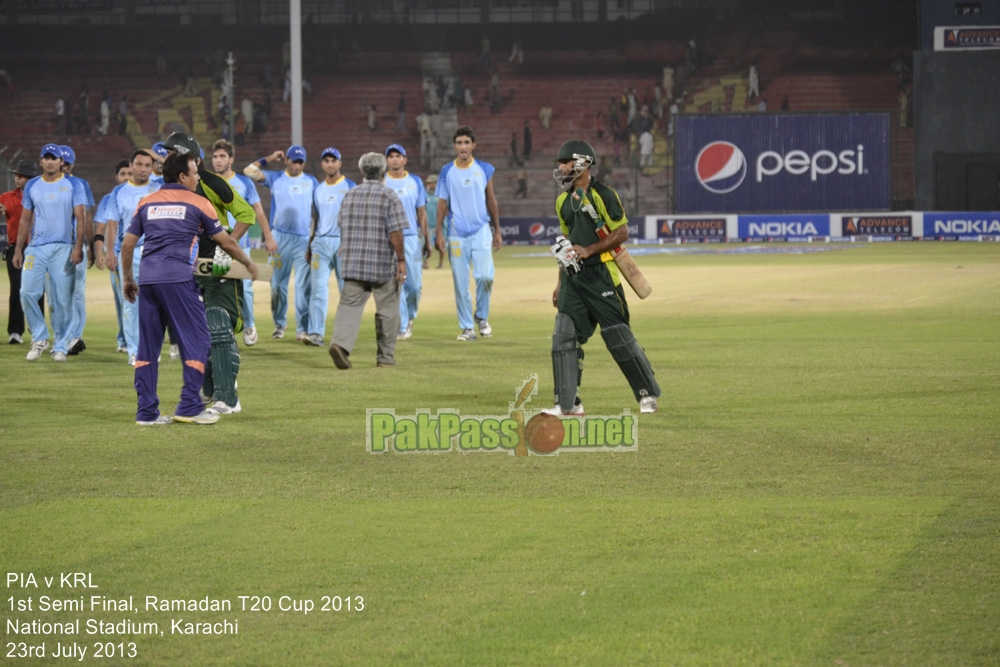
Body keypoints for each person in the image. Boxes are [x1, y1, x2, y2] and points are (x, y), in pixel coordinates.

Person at [121, 151, 257, 426]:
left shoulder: (146, 202)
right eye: (194, 172)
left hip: (148, 280)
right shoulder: (199, 203)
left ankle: (146, 413)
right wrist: (248, 263)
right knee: (198, 340)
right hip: (179, 279)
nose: (198, 177)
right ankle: (190, 406)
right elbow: (226, 243)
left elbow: (127, 245)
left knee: (148, 347)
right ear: (182, 176)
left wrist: (128, 279)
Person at [546, 140, 660, 416]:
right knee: (564, 336)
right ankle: (568, 403)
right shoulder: (562, 201)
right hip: (574, 279)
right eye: (559, 164)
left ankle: (647, 394)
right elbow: (569, 242)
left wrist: (590, 250)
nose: (561, 168)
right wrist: (559, 282)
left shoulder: (603, 195)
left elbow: (621, 232)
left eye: (566, 162)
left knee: (618, 337)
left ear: (583, 163)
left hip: (603, 276)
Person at [164, 131, 258, 415]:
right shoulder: (168, 186)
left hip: (217, 261)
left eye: (170, 153)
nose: (165, 157)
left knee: (218, 324)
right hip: (187, 265)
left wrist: (226, 247)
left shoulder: (212, 183)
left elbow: (246, 215)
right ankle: (212, 391)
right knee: (194, 329)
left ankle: (228, 398)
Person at [327, 152, 407, 369]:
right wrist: (401, 259)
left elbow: (342, 225)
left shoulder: (350, 195)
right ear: (384, 172)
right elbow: (396, 232)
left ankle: (340, 345)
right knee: (388, 310)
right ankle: (385, 358)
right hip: (381, 264)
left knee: (348, 307)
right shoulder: (389, 195)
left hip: (353, 263)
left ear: (362, 171)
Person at [11, 143, 87, 362]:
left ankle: (61, 345)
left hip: (64, 247)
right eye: (46, 157)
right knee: (26, 291)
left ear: (61, 162)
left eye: (54, 158)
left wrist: (78, 247)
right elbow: (26, 218)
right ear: (41, 161)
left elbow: (81, 218)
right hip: (36, 248)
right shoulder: (33, 185)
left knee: (64, 300)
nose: (51, 161)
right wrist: (19, 250)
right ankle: (40, 337)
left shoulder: (75, 185)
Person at [434, 126, 501, 341]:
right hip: (456, 232)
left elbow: (491, 199)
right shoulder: (446, 171)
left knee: (485, 276)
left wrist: (498, 230)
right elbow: (442, 203)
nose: (463, 147)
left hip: (481, 228)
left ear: (474, 145)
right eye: (459, 143)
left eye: (466, 142)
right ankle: (467, 328)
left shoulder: (484, 168)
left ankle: (481, 316)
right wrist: (438, 233)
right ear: (454, 146)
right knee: (460, 282)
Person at [244, 145, 317, 340]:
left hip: (303, 239)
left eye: (301, 161)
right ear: (286, 160)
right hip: (280, 238)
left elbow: (317, 211)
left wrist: (313, 238)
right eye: (294, 160)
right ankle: (279, 324)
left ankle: (302, 329)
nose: (297, 165)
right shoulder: (275, 178)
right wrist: (269, 157)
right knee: (277, 285)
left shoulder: (311, 182)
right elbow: (249, 171)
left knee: (303, 286)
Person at [210, 139, 279, 348]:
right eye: (215, 157)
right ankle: (221, 329)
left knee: (245, 287)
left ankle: (249, 324)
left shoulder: (244, 183)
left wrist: (268, 236)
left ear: (231, 159)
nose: (218, 160)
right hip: (215, 244)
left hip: (241, 244)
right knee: (217, 288)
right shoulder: (206, 182)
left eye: (222, 156)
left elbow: (257, 209)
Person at [103, 149, 161, 364]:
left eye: (148, 165)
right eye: (140, 164)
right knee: (131, 303)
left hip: (156, 250)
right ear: (132, 165)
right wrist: (110, 252)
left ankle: (154, 348)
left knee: (156, 301)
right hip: (131, 251)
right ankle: (135, 352)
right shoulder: (119, 192)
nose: (144, 169)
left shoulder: (159, 187)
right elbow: (112, 223)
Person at [303, 146, 355, 347]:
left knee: (347, 291)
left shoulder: (350, 186)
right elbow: (315, 219)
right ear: (322, 164)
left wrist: (352, 242)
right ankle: (316, 333)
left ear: (340, 163)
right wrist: (310, 245)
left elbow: (356, 218)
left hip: (344, 243)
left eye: (334, 160)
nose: (330, 164)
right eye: (326, 161)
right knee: (317, 290)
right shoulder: (317, 189)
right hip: (321, 244)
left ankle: (345, 335)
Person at [382, 144, 430, 341]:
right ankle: (401, 326)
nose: (394, 159)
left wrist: (427, 239)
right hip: (388, 237)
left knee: (415, 286)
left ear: (404, 160)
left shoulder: (415, 181)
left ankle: (410, 317)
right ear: (386, 160)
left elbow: (421, 212)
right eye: (391, 156)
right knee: (396, 283)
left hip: (410, 237)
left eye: (398, 156)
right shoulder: (381, 181)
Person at [59, 145, 96, 356]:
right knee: (58, 294)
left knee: (77, 292)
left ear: (72, 164)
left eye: (67, 163)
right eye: (60, 162)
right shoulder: (46, 185)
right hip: (54, 246)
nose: (63, 166)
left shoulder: (81, 184)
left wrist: (89, 246)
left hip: (76, 245)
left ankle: (75, 336)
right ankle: (64, 335)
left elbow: (87, 216)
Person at [93, 158, 132, 353]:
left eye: (129, 174)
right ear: (116, 177)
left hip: (142, 253)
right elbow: (100, 227)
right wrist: (101, 253)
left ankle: (135, 339)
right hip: (117, 255)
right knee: (123, 299)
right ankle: (124, 339)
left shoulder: (142, 195)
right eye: (123, 174)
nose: (126, 178)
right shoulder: (109, 199)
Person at [1, 160, 40, 345]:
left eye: (21, 176)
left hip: (38, 248)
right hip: (15, 247)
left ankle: (37, 331)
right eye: (16, 175)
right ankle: (15, 331)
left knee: (37, 291)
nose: (17, 178)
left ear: (31, 178)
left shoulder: (41, 195)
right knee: (16, 290)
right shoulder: (6, 197)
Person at [424, 174, 447, 269]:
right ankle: (425, 262)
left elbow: (447, 208)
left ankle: (441, 263)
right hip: (429, 224)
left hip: (441, 225)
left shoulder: (442, 195)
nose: (429, 185)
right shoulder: (424, 195)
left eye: (431, 183)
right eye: (428, 183)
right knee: (426, 243)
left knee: (442, 244)